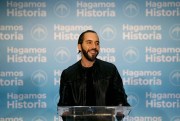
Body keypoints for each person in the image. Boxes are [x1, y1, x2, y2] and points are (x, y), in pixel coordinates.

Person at [58, 30, 130, 121]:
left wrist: (120, 108)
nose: (94, 47)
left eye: (97, 43)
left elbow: (120, 99)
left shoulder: (110, 70)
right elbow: (64, 106)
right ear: (79, 46)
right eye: (89, 42)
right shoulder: (68, 74)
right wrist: (66, 113)